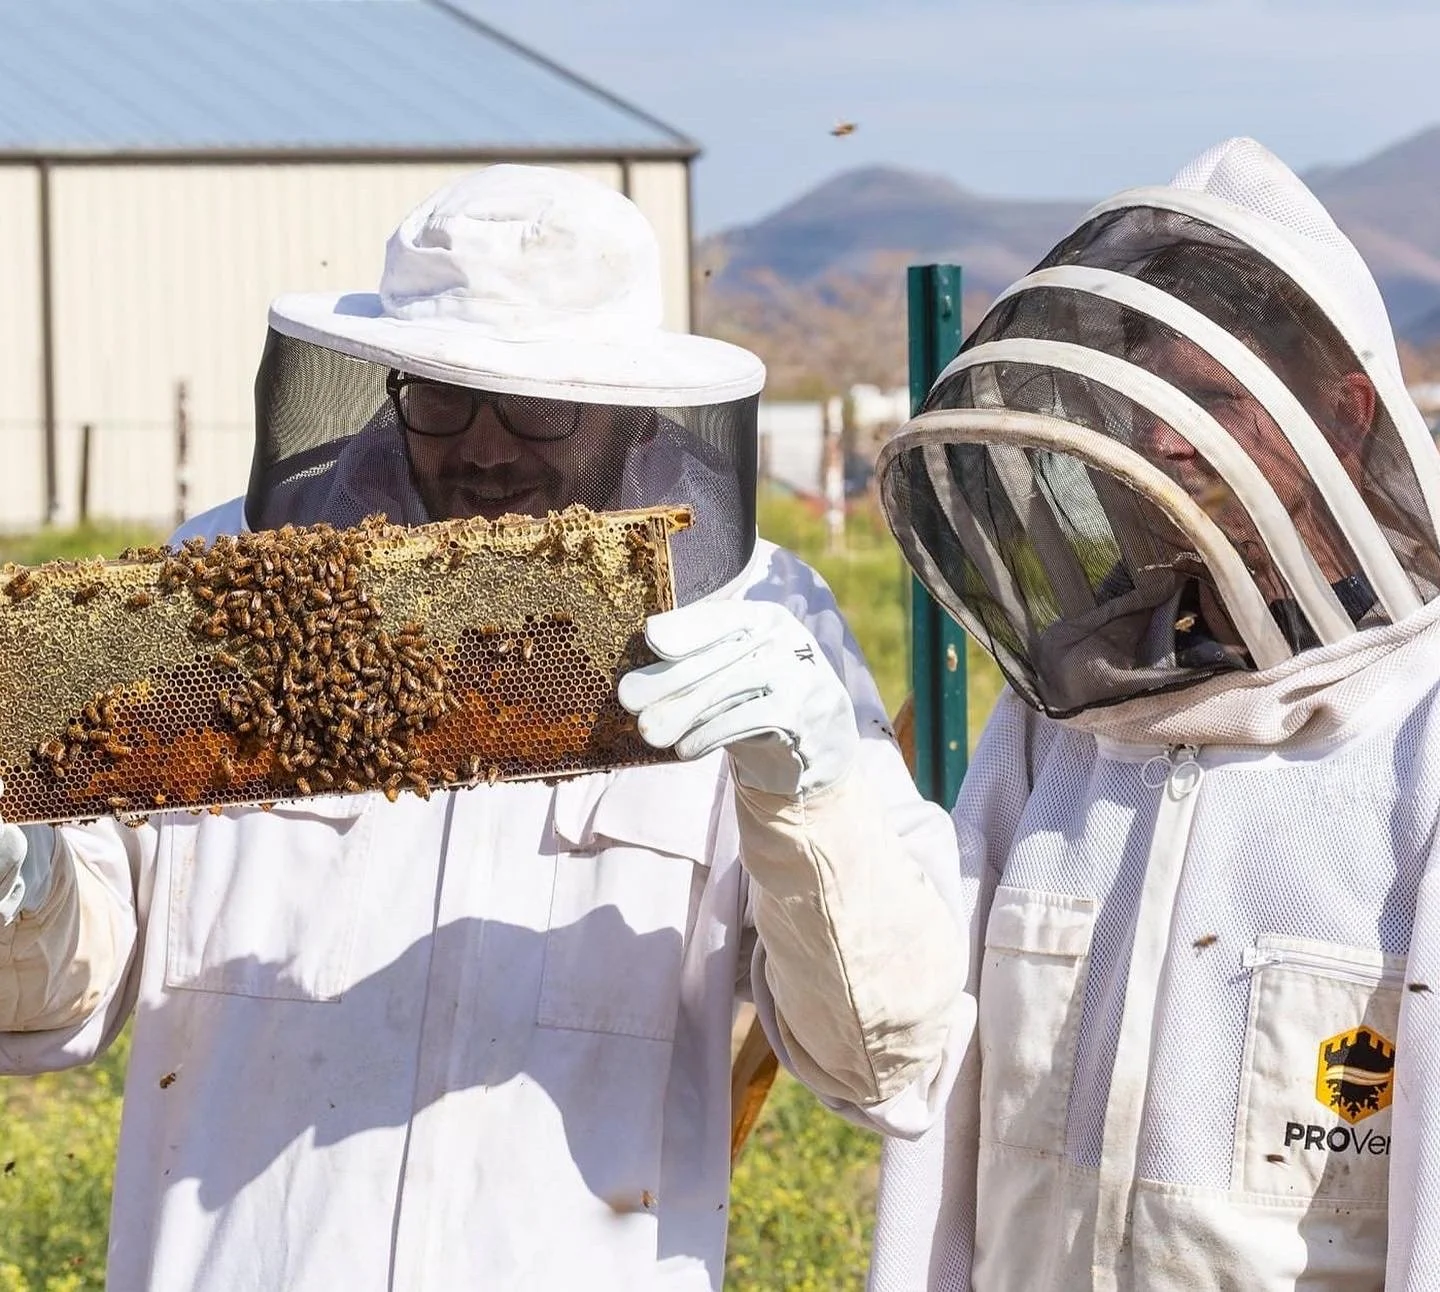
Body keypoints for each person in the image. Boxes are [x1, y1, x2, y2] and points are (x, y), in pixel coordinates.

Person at [0, 165, 970, 1291]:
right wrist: (27, 880)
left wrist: (816, 800)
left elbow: (885, 1060)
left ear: (631, 404)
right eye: (446, 396)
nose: (486, 446)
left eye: (538, 405)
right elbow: (55, 1000)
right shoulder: (217, 583)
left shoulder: (760, 619)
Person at [867, 137, 1440, 1290]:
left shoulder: (1417, 736)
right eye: (1154, 399)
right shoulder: (1062, 718)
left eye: (1216, 398)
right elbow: (933, 1086)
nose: (1170, 440)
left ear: (1344, 408)